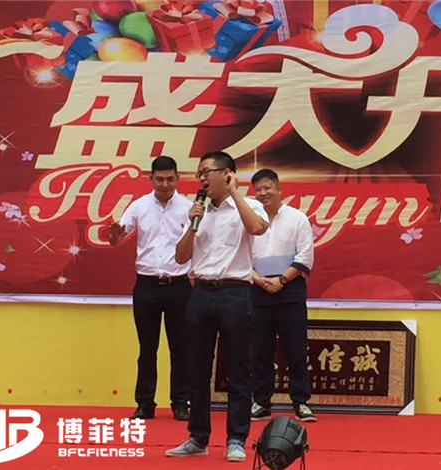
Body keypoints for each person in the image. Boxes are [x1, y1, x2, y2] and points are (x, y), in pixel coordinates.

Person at [166, 151, 268, 462]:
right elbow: (181, 257)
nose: (201, 178)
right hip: (200, 293)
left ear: (226, 174)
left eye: (206, 172)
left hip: (235, 293)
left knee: (239, 369)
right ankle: (198, 437)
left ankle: (236, 438)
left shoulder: (248, 205)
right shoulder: (197, 210)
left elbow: (257, 229)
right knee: (196, 369)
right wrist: (192, 225)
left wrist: (235, 192)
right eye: (199, 173)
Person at [108, 156, 192, 421]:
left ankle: (180, 403)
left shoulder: (190, 208)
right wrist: (114, 234)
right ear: (151, 178)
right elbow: (117, 239)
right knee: (147, 349)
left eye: (170, 179)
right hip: (146, 285)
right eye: (160, 179)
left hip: (179, 285)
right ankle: (145, 404)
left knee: (181, 348)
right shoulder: (138, 206)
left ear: (177, 178)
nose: (165, 184)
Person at [248, 169, 317, 423]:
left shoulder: (297, 218)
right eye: (258, 189)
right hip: (258, 290)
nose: (263, 193)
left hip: (290, 292)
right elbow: (241, 256)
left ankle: (301, 402)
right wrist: (259, 280)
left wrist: (282, 280)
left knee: (296, 350)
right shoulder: (249, 220)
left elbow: (305, 257)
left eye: (268, 187)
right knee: (260, 351)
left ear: (279, 189)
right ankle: (261, 402)